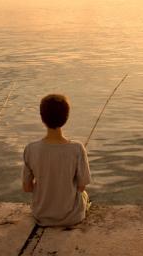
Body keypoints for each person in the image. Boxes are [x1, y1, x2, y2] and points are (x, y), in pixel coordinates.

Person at [22, 94, 92, 227]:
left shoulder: (30, 149)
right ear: (66, 118)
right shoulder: (77, 148)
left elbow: (27, 187)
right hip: (72, 218)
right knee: (85, 195)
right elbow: (81, 186)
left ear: (42, 118)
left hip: (40, 216)